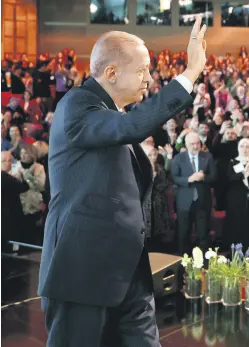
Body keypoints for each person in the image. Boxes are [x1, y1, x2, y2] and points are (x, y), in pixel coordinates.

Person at [39, 17, 206, 346]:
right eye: (142, 70)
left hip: (128, 270)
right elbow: (132, 127)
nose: (149, 78)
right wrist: (189, 74)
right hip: (84, 270)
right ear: (112, 73)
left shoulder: (110, 112)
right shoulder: (77, 105)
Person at [171, 133, 217, 254]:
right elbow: (174, 177)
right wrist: (188, 180)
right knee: (183, 234)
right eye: (192, 144)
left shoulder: (207, 156)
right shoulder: (178, 158)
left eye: (198, 143)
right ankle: (183, 264)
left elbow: (214, 177)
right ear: (186, 145)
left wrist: (203, 177)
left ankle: (203, 266)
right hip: (184, 202)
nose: (196, 146)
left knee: (203, 235)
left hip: (203, 202)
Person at [225, 138, 249, 249]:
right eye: (242, 146)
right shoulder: (233, 162)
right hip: (236, 199)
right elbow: (230, 179)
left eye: (247, 146)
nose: (245, 149)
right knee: (237, 225)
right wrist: (244, 170)